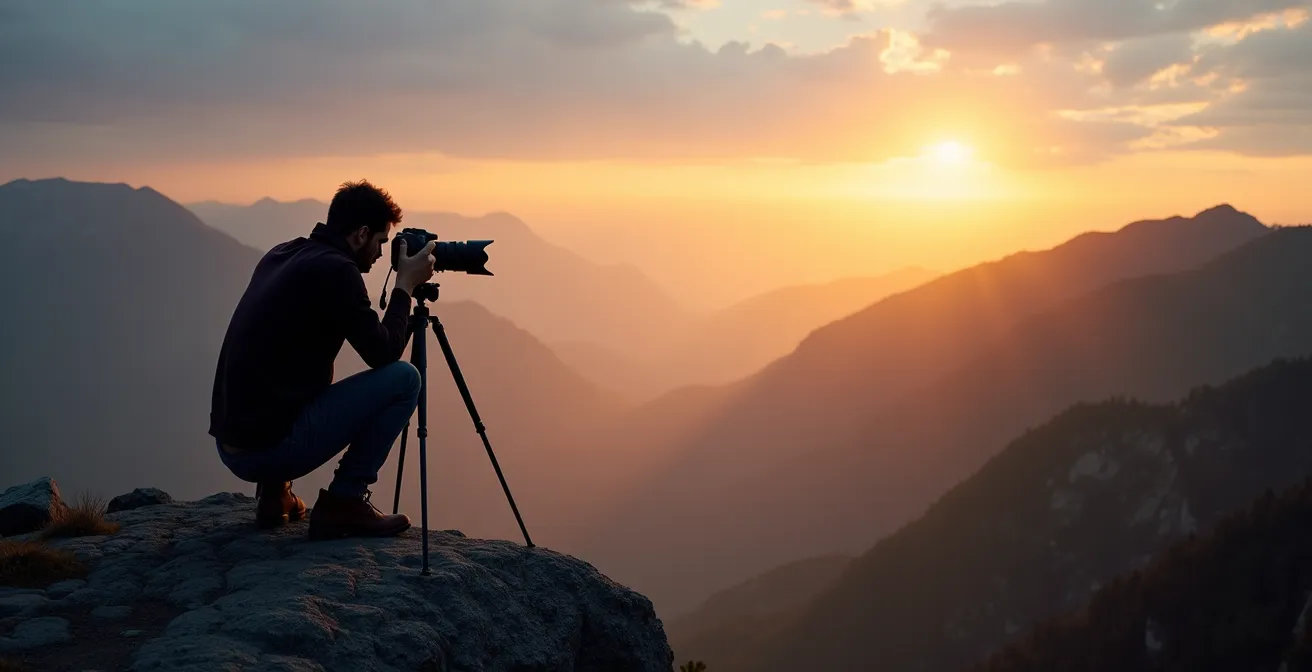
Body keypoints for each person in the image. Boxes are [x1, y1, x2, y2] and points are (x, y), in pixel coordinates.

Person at [209, 179, 438, 540]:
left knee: (287, 369)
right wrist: (404, 288)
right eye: (380, 242)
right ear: (361, 234)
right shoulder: (336, 270)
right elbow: (383, 354)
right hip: (268, 449)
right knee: (405, 379)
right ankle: (345, 501)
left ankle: (275, 495)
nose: (381, 256)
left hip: (231, 444)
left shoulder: (283, 253)